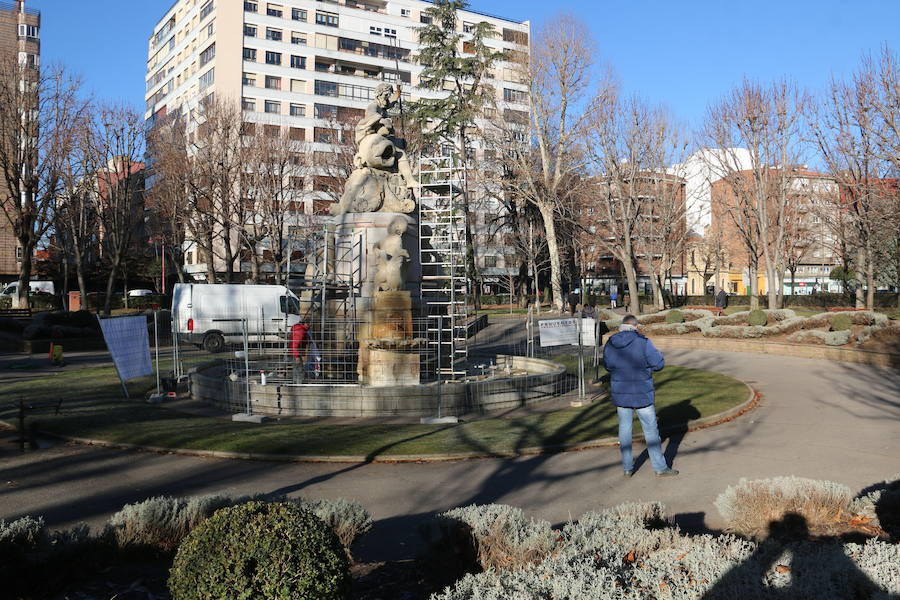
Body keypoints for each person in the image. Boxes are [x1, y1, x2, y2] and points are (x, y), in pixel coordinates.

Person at [602, 314, 678, 477]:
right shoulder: (643, 342)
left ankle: (627, 467)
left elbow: (608, 365)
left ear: (623, 326)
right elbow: (658, 364)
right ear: (635, 326)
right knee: (651, 430)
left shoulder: (611, 342)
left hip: (621, 393)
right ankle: (659, 467)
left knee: (624, 429)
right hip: (642, 393)